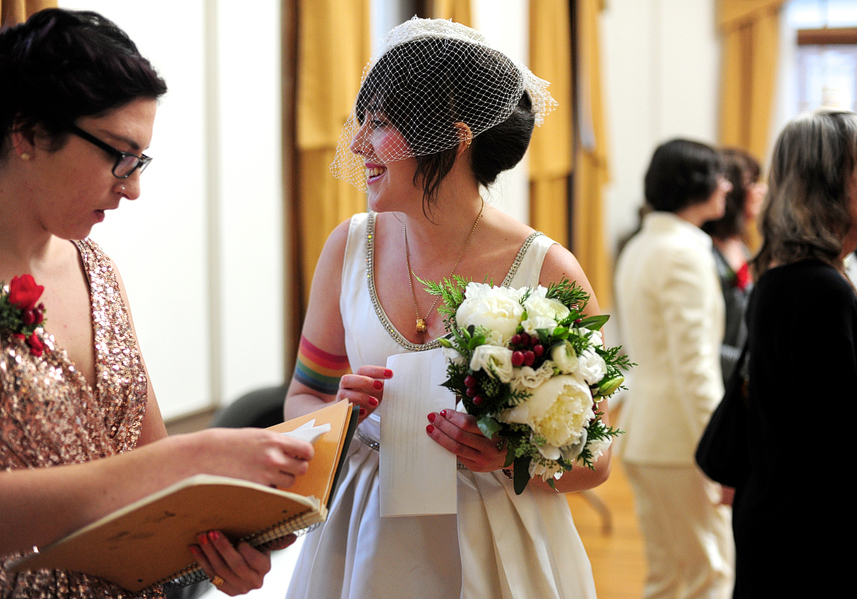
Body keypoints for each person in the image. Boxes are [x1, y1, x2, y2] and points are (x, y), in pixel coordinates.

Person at [283, 17, 610, 599]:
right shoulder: (348, 247)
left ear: (454, 137)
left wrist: (513, 458)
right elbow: (301, 398)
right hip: (362, 531)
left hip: (495, 539)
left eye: (378, 125)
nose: (358, 145)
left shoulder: (547, 271)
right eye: (362, 123)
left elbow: (598, 457)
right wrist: (336, 412)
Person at [0, 9, 314, 598]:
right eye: (119, 154)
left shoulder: (97, 272)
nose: (133, 186)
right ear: (29, 132)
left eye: (140, 161)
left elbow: (154, 474)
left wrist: (219, 545)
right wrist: (188, 458)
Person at [734, 109, 857, 597]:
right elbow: (838, 451)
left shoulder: (802, 276)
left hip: (796, 527)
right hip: (812, 547)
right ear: (822, 185)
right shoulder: (814, 289)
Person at [615, 139, 734, 599]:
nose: (726, 185)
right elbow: (694, 365)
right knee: (711, 575)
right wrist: (721, 448)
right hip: (682, 442)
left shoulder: (641, 244)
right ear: (695, 184)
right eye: (718, 175)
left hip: (646, 433)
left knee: (665, 578)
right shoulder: (685, 252)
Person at [701, 148, 766, 383]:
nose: (762, 190)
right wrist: (762, 367)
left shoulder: (744, 247)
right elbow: (704, 346)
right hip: (720, 383)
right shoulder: (706, 252)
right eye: (752, 182)